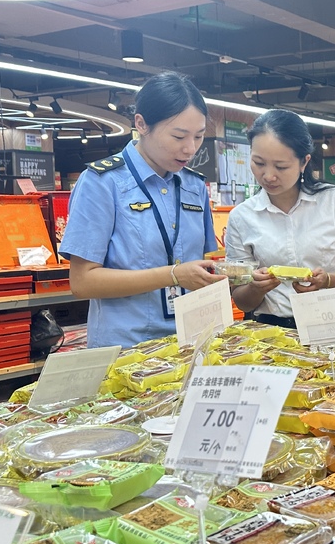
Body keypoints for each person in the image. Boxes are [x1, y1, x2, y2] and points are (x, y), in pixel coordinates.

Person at [60, 72, 223, 349]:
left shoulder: (194, 186)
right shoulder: (103, 183)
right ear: (142, 124)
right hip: (127, 349)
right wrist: (172, 275)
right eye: (178, 136)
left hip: (190, 341)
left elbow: (202, 262)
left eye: (198, 136)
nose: (190, 148)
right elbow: (82, 281)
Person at [225, 109, 335, 346]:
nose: (268, 176)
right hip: (270, 333)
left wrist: (328, 281)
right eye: (259, 163)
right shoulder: (242, 217)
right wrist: (256, 287)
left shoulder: (334, 201)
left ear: (304, 162)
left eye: (281, 167)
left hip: (332, 327)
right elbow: (242, 301)